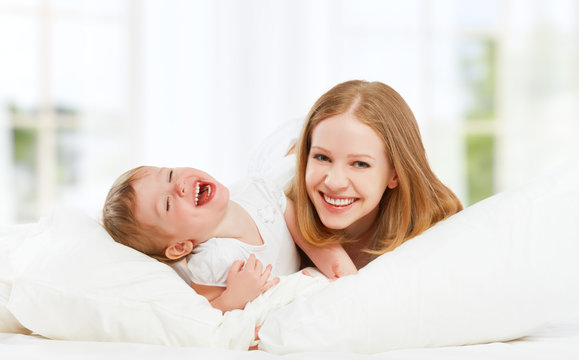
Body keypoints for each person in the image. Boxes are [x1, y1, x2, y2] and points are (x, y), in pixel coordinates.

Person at [102, 165, 356, 313]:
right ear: (180, 246)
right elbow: (210, 314)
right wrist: (236, 297)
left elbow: (307, 235)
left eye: (169, 174)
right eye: (167, 203)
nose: (178, 185)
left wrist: (345, 275)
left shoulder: (256, 190)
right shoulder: (211, 261)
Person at [286, 80, 463, 270]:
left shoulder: (437, 232)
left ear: (395, 175)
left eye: (360, 164)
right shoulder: (281, 204)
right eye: (322, 157)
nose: (334, 182)